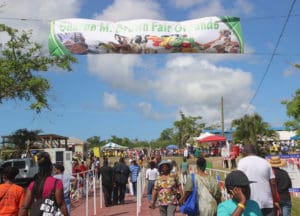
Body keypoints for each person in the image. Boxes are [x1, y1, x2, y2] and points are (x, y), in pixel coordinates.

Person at [19, 152, 68, 216]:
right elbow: (61, 204)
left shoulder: (33, 184)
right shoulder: (57, 183)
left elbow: (24, 207)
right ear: (50, 168)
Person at [238, 144, 281, 216]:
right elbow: (273, 182)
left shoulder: (242, 162)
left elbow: (239, 181)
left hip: (250, 202)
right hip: (267, 202)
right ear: (255, 152)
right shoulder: (266, 162)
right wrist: (276, 200)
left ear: (244, 152)